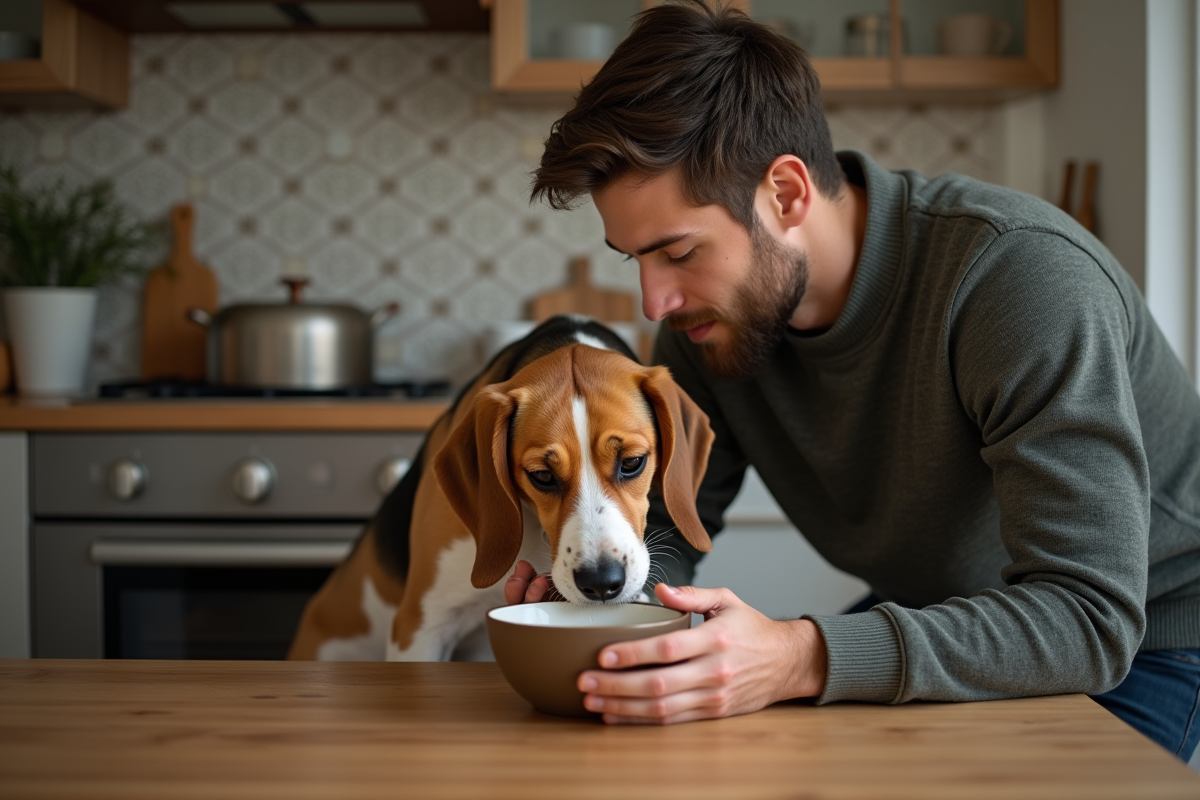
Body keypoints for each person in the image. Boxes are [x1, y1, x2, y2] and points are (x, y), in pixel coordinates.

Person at [503, 0, 1200, 760]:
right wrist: (598, 595)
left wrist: (800, 656)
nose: (654, 302)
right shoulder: (706, 329)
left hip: (1146, 633)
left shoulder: (1020, 283)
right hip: (951, 610)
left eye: (677, 252)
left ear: (788, 194)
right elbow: (667, 532)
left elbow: (1089, 617)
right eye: (632, 258)